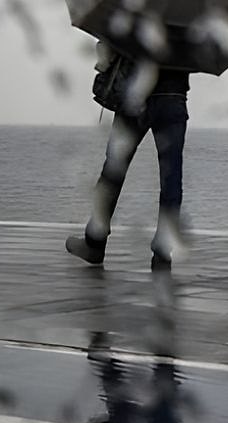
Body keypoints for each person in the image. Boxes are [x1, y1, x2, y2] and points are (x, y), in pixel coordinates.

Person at [66, 38, 191, 267]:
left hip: (136, 96)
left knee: (113, 170)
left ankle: (95, 241)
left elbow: (116, 42)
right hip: (173, 98)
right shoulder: (190, 14)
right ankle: (163, 251)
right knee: (172, 177)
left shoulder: (141, 6)